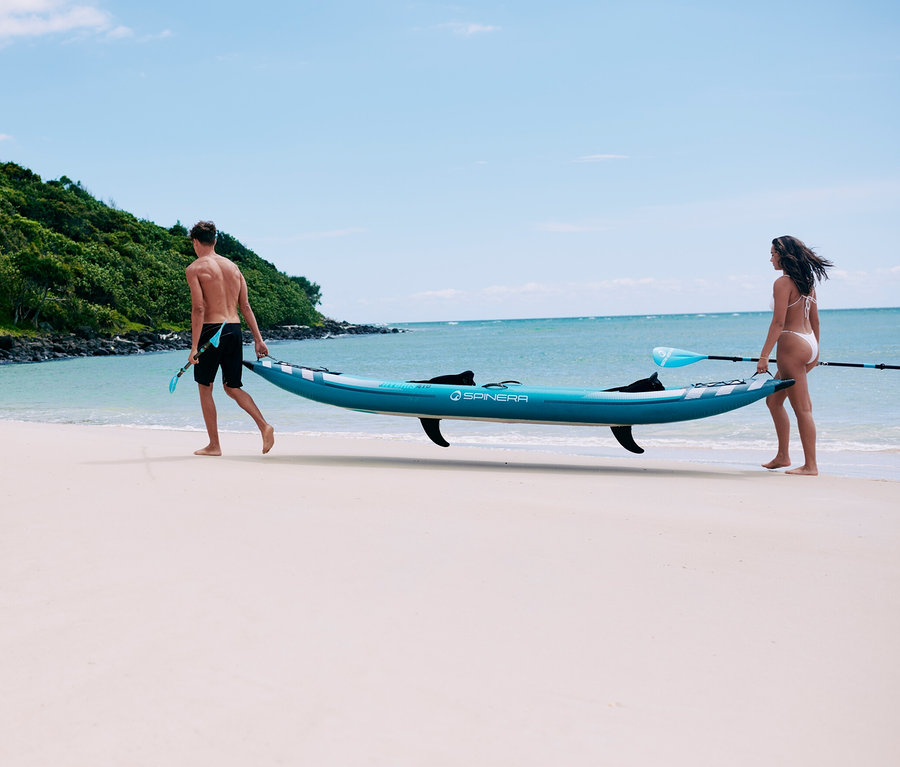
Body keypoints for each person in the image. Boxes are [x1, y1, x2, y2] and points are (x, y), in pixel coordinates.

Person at [185, 221, 274, 456]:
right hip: (234, 330)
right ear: (214, 241)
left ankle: (214, 445)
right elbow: (245, 305)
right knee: (232, 387)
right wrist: (258, 339)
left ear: (195, 242)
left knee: (205, 387)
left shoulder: (195, 268)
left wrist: (194, 346)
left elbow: (199, 309)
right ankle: (264, 426)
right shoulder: (233, 267)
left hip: (211, 331)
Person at [756, 235, 833, 475]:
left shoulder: (782, 283)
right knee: (774, 400)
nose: (770, 259)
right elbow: (815, 320)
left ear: (783, 255)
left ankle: (811, 466)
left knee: (803, 408)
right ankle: (783, 456)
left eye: (772, 254)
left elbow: (778, 323)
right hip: (808, 344)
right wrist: (815, 352)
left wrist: (764, 356)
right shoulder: (807, 283)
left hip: (791, 345)